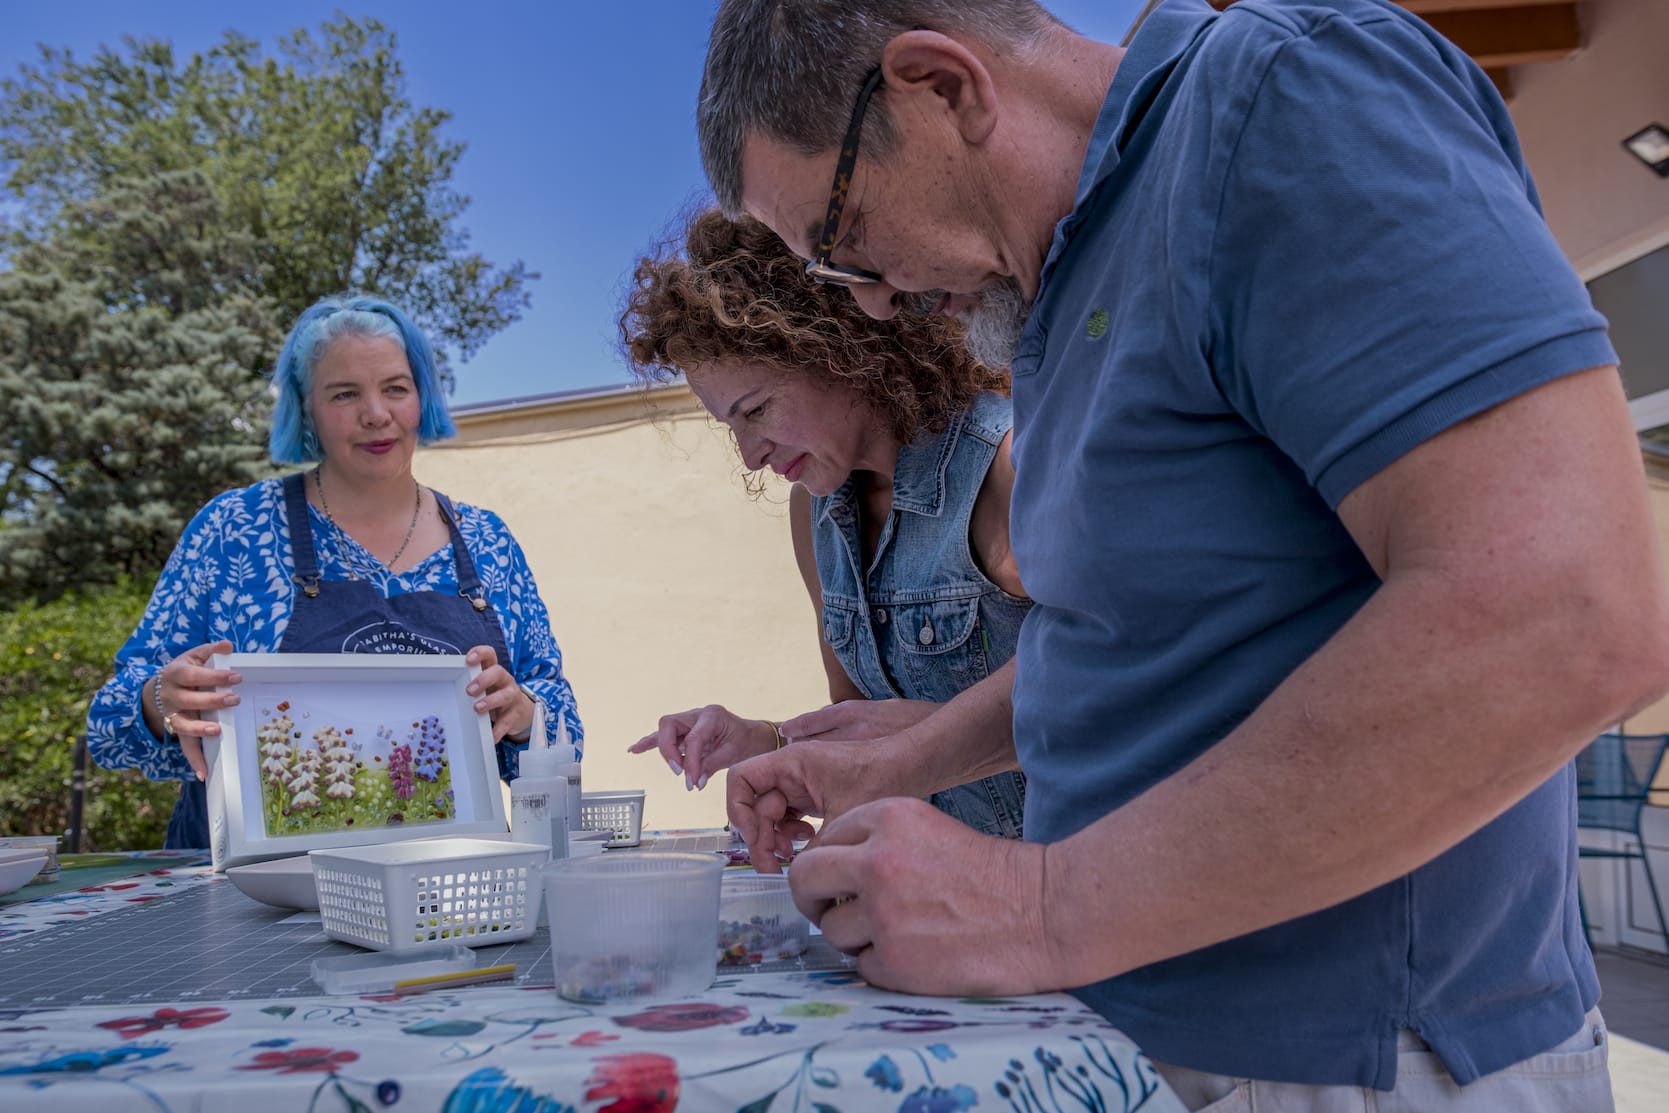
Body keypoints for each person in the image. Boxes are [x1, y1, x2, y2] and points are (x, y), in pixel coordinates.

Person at [697, 0, 1669, 1106]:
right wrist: (896, 763)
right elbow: (1134, 644)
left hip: (1357, 1058)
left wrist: (1039, 905)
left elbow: (1562, 611)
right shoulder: (1055, 288)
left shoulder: (1283, 100)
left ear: (941, 87)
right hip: (1149, 1029)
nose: (868, 301)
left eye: (845, 239)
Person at [88, 296, 583, 850]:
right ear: (306, 408)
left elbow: (564, 730)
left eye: (396, 387)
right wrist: (160, 700)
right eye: (345, 394)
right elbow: (109, 724)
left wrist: (522, 712)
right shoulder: (235, 531)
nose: (376, 413)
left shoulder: (488, 542)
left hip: (446, 891)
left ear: (422, 396)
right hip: (251, 911)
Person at [619, 208, 1028, 842]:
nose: (751, 454)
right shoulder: (815, 511)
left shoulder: (1006, 467)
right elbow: (859, 722)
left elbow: (1102, 695)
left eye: (757, 409)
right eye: (732, 427)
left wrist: (902, 752)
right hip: (929, 909)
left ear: (843, 349)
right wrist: (773, 743)